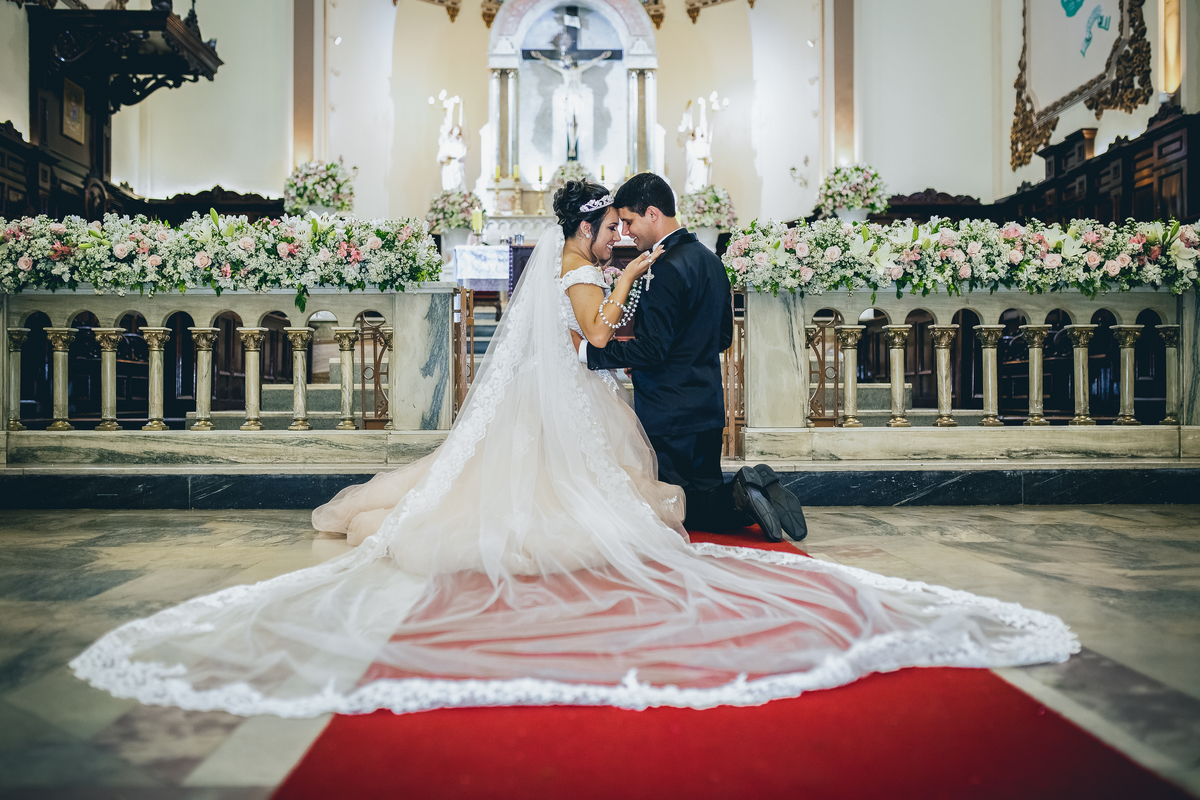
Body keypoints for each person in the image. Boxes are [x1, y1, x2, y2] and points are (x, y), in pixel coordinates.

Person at [70, 180, 1078, 719]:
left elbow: (587, 337)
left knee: (600, 472)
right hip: (593, 394)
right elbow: (594, 336)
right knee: (608, 486)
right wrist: (627, 280)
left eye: (620, 227)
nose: (614, 236)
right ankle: (728, 500)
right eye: (608, 227)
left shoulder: (575, 260)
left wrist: (627, 282)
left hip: (589, 398)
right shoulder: (581, 267)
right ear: (591, 225)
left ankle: (727, 497)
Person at [572, 172, 806, 543]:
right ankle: (755, 486)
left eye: (629, 221)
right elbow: (724, 337)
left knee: (675, 507)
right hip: (707, 406)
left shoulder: (663, 267)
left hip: (668, 411)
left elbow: (653, 349)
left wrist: (590, 353)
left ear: (652, 214)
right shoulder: (711, 260)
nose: (626, 233)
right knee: (699, 497)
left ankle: (743, 491)